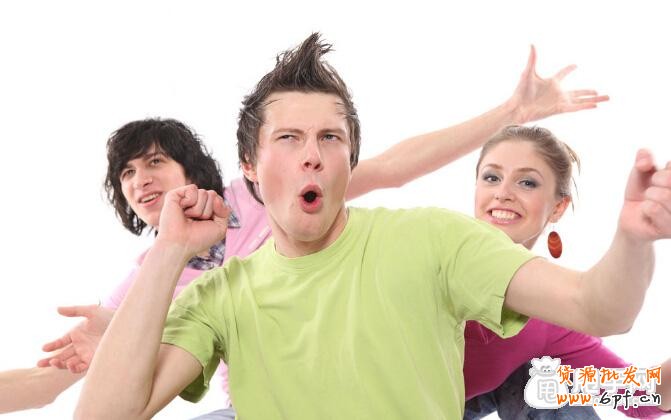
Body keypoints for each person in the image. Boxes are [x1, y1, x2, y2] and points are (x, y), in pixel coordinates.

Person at [0, 35, 608, 417]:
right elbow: (82, 389)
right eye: (128, 174)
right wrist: (116, 331)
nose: (141, 182)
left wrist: (511, 111)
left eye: (155, 163)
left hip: (446, 396)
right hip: (270, 398)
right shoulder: (159, 274)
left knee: (548, 386)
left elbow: (631, 380)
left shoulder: (276, 200)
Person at [462, 125, 671, 419]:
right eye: (492, 178)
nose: (502, 193)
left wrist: (636, 235)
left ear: (558, 207)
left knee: (542, 377)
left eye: (527, 183)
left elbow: (640, 396)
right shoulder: (432, 250)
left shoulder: (548, 313)